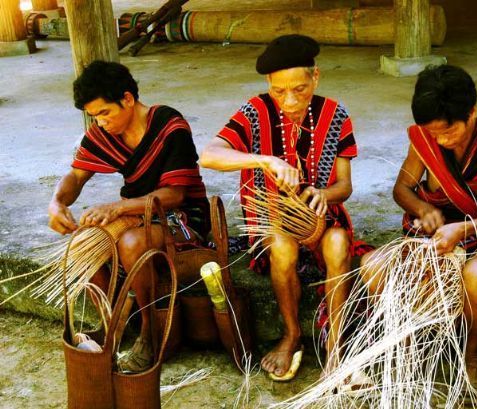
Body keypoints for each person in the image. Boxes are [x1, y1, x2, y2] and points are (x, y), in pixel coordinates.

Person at [361, 64, 477, 398]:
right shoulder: (425, 136)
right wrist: (424, 210)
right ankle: (407, 347)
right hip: (429, 240)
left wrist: (463, 228)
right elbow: (402, 189)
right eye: (434, 133)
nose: (440, 140)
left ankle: (473, 355)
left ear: (472, 112)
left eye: (449, 132)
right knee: (372, 265)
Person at [201, 34, 359, 380]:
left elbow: (345, 186)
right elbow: (209, 155)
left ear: (315, 77)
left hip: (321, 218)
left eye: (300, 89)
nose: (289, 100)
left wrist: (325, 194)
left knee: (337, 244)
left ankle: (336, 344)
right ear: (269, 86)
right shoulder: (256, 111)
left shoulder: (336, 115)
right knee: (283, 249)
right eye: (278, 91)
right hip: (272, 221)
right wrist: (264, 160)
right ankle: (292, 334)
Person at [48, 60, 210, 372]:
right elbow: (77, 176)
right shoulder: (105, 132)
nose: (101, 123)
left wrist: (118, 207)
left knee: (132, 243)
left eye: (105, 113)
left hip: (182, 218)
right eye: (94, 116)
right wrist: (56, 202)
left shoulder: (169, 126)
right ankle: (114, 322)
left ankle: (150, 331)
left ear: (127, 99)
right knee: (82, 243)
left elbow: (175, 194)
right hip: (136, 213)